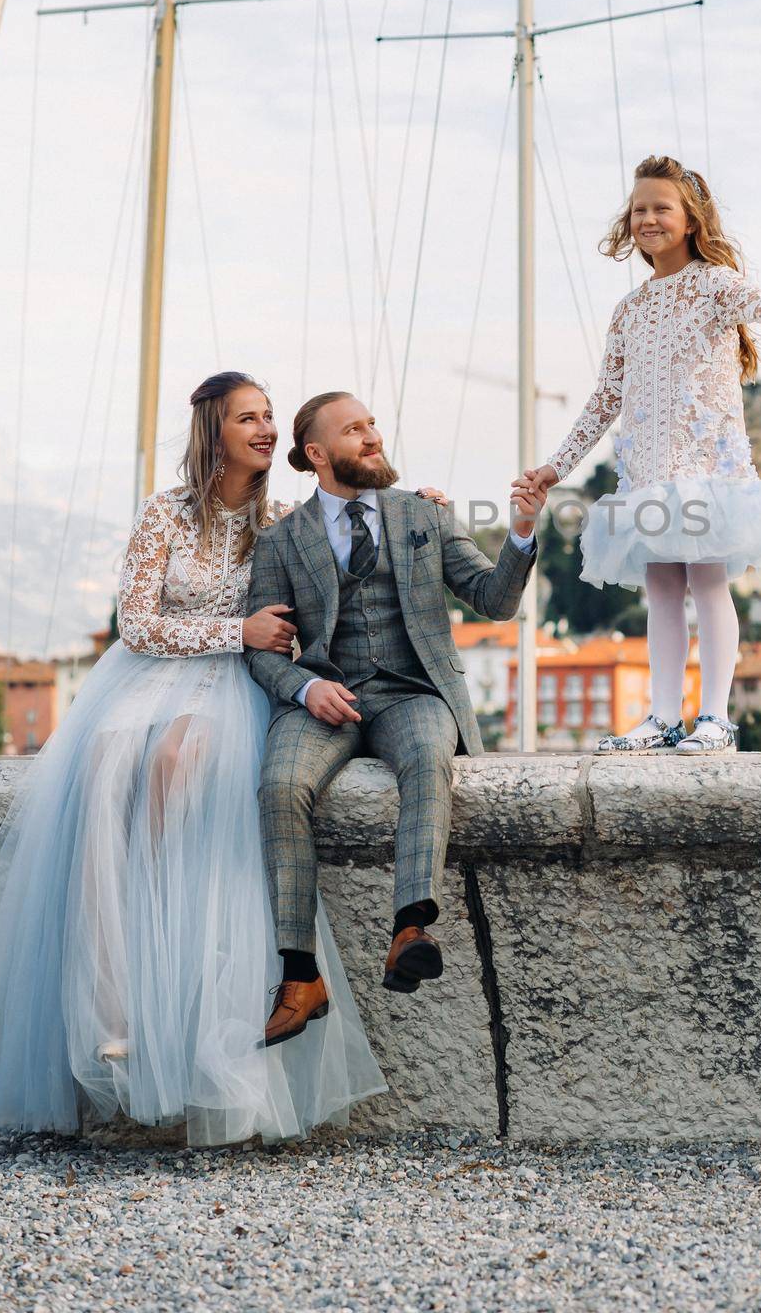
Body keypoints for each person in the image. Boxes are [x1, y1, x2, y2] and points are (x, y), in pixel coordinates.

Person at [0, 372, 395, 1145]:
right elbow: (136, 622)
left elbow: (351, 557)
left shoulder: (283, 520)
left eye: (267, 417)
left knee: (174, 767)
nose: (262, 428)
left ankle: (171, 992)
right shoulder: (165, 513)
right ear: (213, 431)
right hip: (149, 673)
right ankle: (109, 1003)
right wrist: (235, 628)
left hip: (234, 687)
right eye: (246, 418)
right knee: (105, 765)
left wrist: (416, 515)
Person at [516, 155, 761, 756]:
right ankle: (663, 717)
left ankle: (714, 719)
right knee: (661, 587)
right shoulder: (630, 312)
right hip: (647, 475)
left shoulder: (712, 285)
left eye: (661, 208)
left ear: (690, 220)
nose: (647, 218)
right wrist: (556, 467)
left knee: (707, 582)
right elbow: (606, 398)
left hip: (708, 471)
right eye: (639, 209)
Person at [244, 390, 545, 1047]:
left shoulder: (425, 515)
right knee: (278, 785)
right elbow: (261, 652)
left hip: (414, 692)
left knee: (427, 756)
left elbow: (494, 602)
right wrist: (302, 690)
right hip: (327, 697)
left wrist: (520, 531)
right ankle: (299, 976)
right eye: (354, 430)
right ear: (318, 454)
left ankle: (410, 927)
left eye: (372, 424)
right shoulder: (282, 541)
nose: (372, 436)